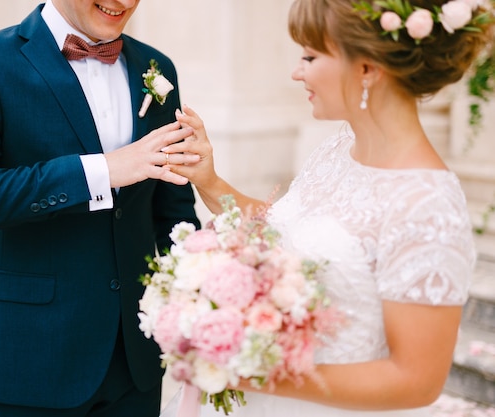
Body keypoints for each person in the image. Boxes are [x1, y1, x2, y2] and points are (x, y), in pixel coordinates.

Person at [162, 0, 495, 415]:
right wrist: (209, 180)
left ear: (367, 68)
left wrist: (244, 367)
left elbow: (416, 381)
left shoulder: (427, 206)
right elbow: (283, 236)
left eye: (310, 56)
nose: (296, 71)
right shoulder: (340, 146)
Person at [0, 1, 201, 416]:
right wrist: (100, 172)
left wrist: (206, 300)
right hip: (33, 359)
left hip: (137, 362)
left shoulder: (157, 68)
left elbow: (173, 211)